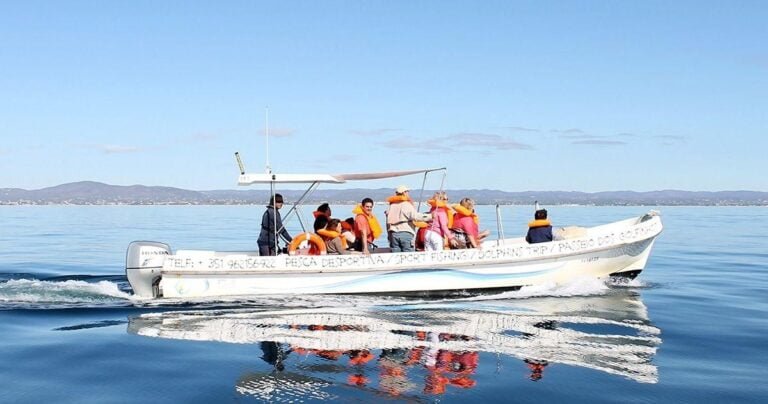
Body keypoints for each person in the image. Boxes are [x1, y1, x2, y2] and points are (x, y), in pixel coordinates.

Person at [385, 185, 431, 252]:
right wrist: (430, 216)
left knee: (396, 255)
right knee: (408, 254)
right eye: (407, 192)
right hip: (405, 233)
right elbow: (415, 216)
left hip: (393, 233)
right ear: (404, 193)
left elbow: (387, 222)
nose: (408, 194)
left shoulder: (391, 206)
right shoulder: (406, 204)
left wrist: (389, 235)